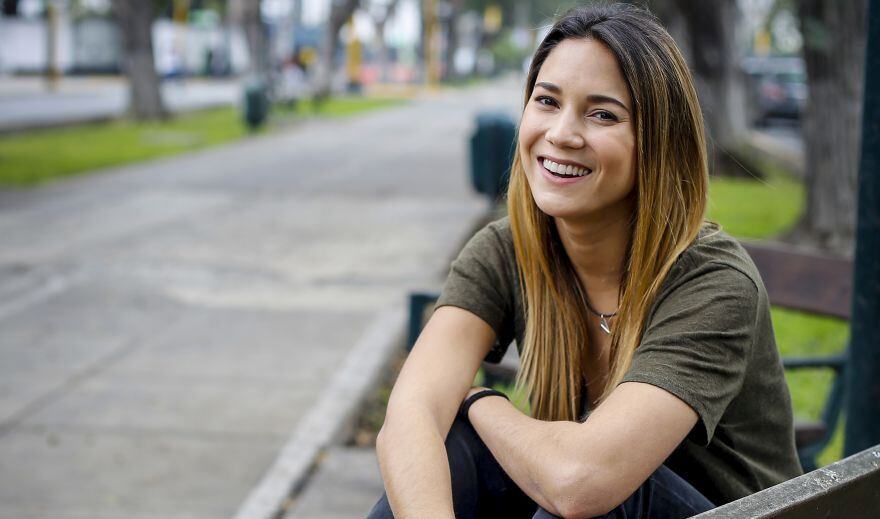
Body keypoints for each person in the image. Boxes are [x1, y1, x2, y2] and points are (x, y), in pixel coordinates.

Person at [369, 4, 803, 518]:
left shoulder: (712, 282)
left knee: (591, 488)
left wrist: (479, 402)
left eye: (603, 114)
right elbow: (409, 415)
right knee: (456, 449)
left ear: (657, 143)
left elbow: (582, 483)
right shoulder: (507, 250)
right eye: (547, 101)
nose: (562, 134)